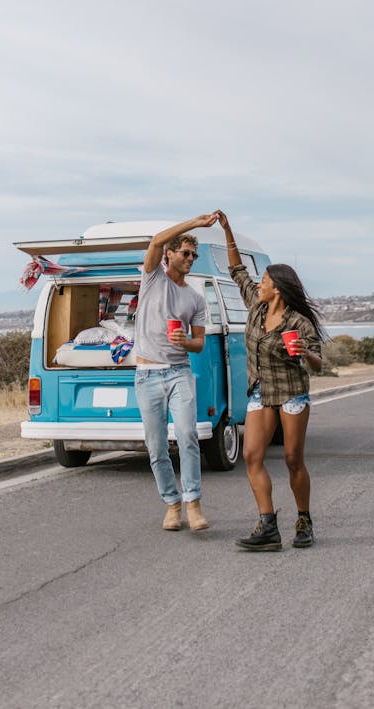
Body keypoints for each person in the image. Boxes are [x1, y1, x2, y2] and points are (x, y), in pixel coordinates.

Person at [215, 210, 324, 551]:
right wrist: (228, 231)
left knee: (293, 459)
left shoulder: (298, 321)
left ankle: (304, 519)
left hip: (291, 393)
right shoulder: (255, 308)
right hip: (260, 392)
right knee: (251, 456)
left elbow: (318, 366)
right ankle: (268, 526)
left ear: (276, 288)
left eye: (263, 281)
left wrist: (304, 353)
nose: (258, 284)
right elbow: (237, 271)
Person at [133, 214, 218, 532]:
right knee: (156, 447)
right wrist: (195, 223)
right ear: (169, 254)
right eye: (186, 253)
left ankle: (193, 503)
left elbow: (199, 343)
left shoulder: (195, 299)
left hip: (179, 372)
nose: (191, 259)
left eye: (194, 255)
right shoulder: (152, 277)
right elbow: (155, 240)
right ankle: (172, 505)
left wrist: (187, 340)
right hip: (146, 375)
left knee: (187, 435)